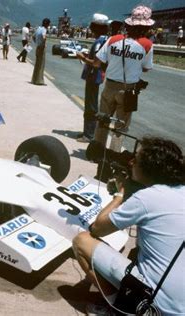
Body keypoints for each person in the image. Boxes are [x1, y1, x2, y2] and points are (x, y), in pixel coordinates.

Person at [73, 137, 185, 315]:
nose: (131, 162)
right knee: (139, 252)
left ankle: (117, 308)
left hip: (159, 305)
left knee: (81, 241)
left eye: (136, 159)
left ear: (148, 169)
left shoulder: (148, 197)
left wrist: (121, 193)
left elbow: (97, 228)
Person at [90, 6, 154, 152]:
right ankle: (113, 154)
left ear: (129, 24)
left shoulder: (114, 40)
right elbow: (146, 68)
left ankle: (96, 151)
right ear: (146, 27)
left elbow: (97, 62)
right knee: (122, 126)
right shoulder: (147, 45)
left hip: (109, 86)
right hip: (128, 89)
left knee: (103, 121)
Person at [76, 13, 109, 143]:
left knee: (91, 105)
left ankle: (88, 134)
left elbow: (96, 63)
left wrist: (82, 57)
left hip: (93, 76)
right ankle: (88, 131)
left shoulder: (98, 42)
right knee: (92, 103)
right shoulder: (104, 39)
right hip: (97, 76)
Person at [31, 18, 50, 85]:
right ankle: (39, 81)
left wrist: (36, 43)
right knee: (41, 64)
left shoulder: (38, 28)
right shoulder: (44, 30)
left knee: (37, 64)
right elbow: (44, 37)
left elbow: (33, 37)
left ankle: (34, 79)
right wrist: (44, 44)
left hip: (37, 47)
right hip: (41, 47)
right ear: (47, 24)